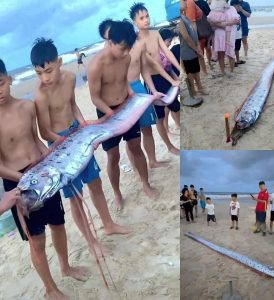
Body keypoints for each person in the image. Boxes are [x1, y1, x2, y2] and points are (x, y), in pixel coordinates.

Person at [32, 38, 129, 256]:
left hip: (76, 132)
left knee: (95, 182)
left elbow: (73, 105)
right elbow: (45, 131)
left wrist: (84, 126)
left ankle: (108, 224)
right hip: (59, 144)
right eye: (39, 73)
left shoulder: (70, 77)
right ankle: (91, 242)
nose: (45, 78)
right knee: (75, 197)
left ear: (59, 61)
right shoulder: (40, 94)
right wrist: (70, 142)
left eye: (48, 70)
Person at [0, 58, 87, 300]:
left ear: (9, 79)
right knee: (36, 239)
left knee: (58, 223)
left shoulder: (27, 107)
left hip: (42, 172)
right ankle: (50, 289)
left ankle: (66, 267)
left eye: (0, 83)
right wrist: (25, 178)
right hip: (18, 183)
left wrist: (53, 159)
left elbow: (36, 141)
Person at [87, 20, 159, 208]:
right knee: (113, 156)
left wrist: (132, 94)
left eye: (129, 48)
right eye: (122, 48)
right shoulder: (95, 66)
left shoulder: (125, 58)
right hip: (107, 113)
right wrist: (111, 114)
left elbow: (123, 81)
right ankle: (118, 194)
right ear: (110, 42)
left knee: (136, 146)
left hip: (126, 107)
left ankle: (146, 184)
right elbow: (95, 97)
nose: (126, 52)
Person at [129, 3, 180, 155]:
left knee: (176, 107)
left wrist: (179, 69)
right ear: (135, 22)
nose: (146, 20)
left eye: (147, 16)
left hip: (164, 75)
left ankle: (177, 129)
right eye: (141, 18)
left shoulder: (156, 34)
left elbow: (167, 52)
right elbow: (144, 66)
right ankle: (169, 146)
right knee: (159, 116)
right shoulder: (136, 41)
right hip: (152, 81)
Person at [180, 0, 206, 100]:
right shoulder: (180, 19)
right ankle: (193, 92)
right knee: (190, 72)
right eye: (183, 1)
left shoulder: (185, 16)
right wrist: (196, 49)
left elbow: (192, 31)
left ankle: (200, 88)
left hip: (193, 49)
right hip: (187, 51)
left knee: (196, 69)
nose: (186, 3)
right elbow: (186, 37)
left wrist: (197, 46)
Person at [207, 0, 240, 76]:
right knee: (220, 53)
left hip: (230, 34)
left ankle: (231, 71)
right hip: (218, 34)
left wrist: (224, 23)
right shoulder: (214, 8)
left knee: (231, 53)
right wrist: (223, 24)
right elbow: (209, 21)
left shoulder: (231, 8)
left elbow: (237, 21)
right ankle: (223, 71)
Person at [230, 0, 245, 66]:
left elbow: (239, 26)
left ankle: (238, 60)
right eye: (238, 6)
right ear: (233, 6)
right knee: (232, 49)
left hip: (238, 35)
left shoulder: (238, 15)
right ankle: (232, 62)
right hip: (233, 35)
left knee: (237, 49)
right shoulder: (230, 14)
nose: (239, 7)